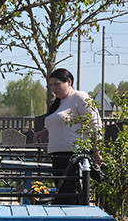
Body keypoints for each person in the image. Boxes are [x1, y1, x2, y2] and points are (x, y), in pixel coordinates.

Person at [32, 68, 102, 204]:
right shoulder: (57, 103)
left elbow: (95, 123)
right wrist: (43, 132)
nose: (53, 88)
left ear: (69, 82)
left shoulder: (79, 97)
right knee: (62, 195)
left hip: (75, 156)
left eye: (56, 84)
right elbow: (59, 126)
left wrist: (96, 151)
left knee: (72, 195)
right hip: (57, 156)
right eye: (51, 85)